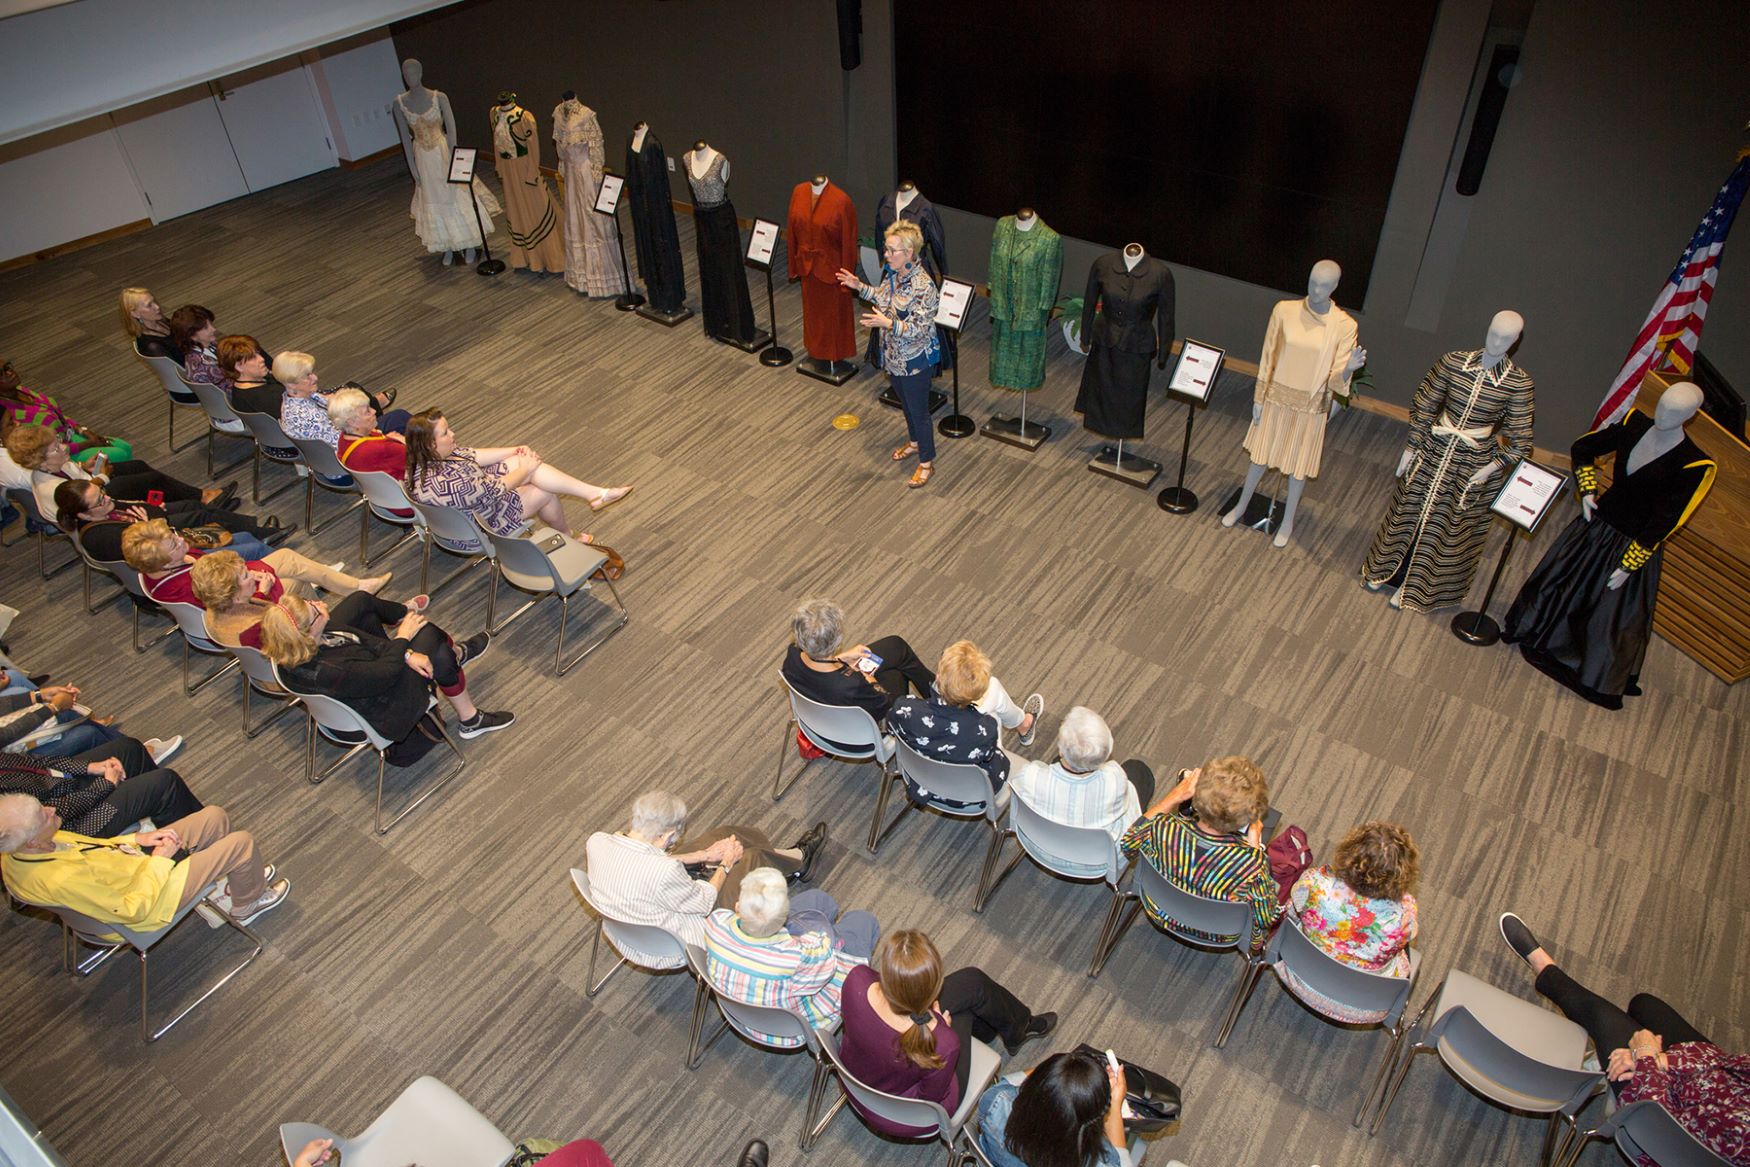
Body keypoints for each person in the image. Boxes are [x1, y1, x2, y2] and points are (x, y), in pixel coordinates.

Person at [1499, 913, 1748, 1165]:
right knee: (1645, 1006)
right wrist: (1664, 1061)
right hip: (1713, 1082)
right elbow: (1735, 1066)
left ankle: (1544, 967)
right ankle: (1605, 1064)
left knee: (1601, 1017)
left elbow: (1661, 1126)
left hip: (1666, 1132)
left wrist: (1645, 1058)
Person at [838, 929, 1055, 1137]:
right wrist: (941, 1025)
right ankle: (1015, 1029)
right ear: (933, 994)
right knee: (965, 1010)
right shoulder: (943, 1043)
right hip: (907, 1115)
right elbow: (930, 1099)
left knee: (972, 982)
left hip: (855, 1078)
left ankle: (1010, 1028)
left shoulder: (856, 979)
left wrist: (937, 1025)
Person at [583, 790, 829, 966]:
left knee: (726, 835)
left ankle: (780, 858)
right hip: (678, 940)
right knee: (751, 858)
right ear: (665, 835)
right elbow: (703, 903)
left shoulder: (597, 841)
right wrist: (725, 864)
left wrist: (703, 855)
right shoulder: (663, 872)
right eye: (672, 840)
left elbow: (642, 860)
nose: (673, 844)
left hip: (623, 927)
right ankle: (796, 861)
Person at [258, 591, 513, 743]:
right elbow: (384, 675)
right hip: (385, 709)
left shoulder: (294, 647)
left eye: (309, 600)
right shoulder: (330, 668)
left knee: (362, 607)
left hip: (364, 684)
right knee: (433, 642)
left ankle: (444, 647)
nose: (320, 603)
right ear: (308, 631)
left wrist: (407, 653)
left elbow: (357, 638)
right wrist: (403, 639)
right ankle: (471, 719)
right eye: (314, 609)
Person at [0, 792, 289, 925]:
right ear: (33, 840)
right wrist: (160, 861)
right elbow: (132, 910)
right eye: (43, 815)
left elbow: (96, 849)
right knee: (242, 843)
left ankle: (233, 881)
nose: (51, 809)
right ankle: (246, 904)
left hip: (134, 868)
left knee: (214, 817)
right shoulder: (61, 879)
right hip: (150, 901)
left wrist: (135, 840)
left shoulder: (32, 844)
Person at [703, 865, 878, 1046]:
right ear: (783, 921)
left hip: (736, 1012)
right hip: (788, 1029)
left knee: (818, 898)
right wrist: (805, 939)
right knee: (863, 920)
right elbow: (826, 962)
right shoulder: (793, 958)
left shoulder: (715, 924)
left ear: (738, 906)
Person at [1120, 757, 1279, 953]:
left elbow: (1128, 845)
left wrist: (1175, 796)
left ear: (1195, 796)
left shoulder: (1162, 829)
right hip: (1217, 933)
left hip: (1157, 906)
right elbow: (1265, 917)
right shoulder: (1252, 864)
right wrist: (1255, 848)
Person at [402, 409, 631, 539]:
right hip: (480, 525)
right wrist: (526, 470)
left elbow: (474, 455)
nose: (453, 433)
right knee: (543, 491)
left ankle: (594, 494)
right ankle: (568, 533)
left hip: (465, 509)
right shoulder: (451, 483)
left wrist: (516, 450)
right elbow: (494, 492)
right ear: (431, 444)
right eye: (445, 432)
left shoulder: (418, 463)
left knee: (520, 462)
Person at [836, 220, 941, 488]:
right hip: (893, 357)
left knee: (918, 411)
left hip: (915, 361)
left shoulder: (924, 287)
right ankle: (915, 443)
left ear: (909, 253)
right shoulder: (894, 275)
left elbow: (919, 329)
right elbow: (883, 298)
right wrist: (858, 285)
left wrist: (888, 324)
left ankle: (927, 462)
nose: (886, 255)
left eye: (892, 251)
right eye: (886, 249)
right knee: (905, 405)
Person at [1281, 821, 1419, 1023]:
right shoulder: (1403, 913)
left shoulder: (1315, 884)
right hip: (1364, 1005)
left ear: (1349, 854)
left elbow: (1293, 908)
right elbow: (1409, 935)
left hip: (1300, 973)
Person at [885, 640, 1044, 809]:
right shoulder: (984, 729)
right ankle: (1024, 724)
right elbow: (990, 755)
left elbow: (890, 727)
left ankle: (1024, 723)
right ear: (977, 694)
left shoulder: (904, 708)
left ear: (938, 677)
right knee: (995, 690)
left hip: (920, 779)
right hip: (970, 794)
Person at [1007, 707, 1152, 875]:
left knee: (1054, 764)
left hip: (1037, 844)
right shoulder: (1115, 779)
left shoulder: (1031, 775)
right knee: (1139, 771)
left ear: (1061, 749)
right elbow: (1128, 804)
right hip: (1096, 863)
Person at [120, 518, 385, 609]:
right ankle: (334, 607)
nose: (181, 540)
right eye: (174, 545)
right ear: (164, 564)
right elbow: (227, 605)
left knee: (288, 560)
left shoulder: (168, 565)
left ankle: (354, 590)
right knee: (294, 575)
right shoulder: (180, 585)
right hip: (243, 606)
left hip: (238, 586)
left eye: (174, 535)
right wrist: (261, 588)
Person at [193, 550, 416, 650]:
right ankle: (402, 614)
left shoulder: (219, 609)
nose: (251, 574)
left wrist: (259, 593)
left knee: (296, 581)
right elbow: (284, 632)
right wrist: (264, 593)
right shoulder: (254, 625)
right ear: (232, 592)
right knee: (361, 602)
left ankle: (320, 611)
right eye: (244, 576)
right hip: (305, 649)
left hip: (287, 642)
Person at [6, 422, 229, 519]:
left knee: (137, 466)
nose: (64, 447)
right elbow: (81, 500)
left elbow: (74, 472)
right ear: (41, 461)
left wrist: (84, 466)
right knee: (148, 479)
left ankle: (196, 497)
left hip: (93, 485)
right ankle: (199, 499)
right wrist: (101, 475)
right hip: (93, 506)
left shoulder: (54, 463)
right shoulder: (50, 486)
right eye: (56, 448)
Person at [0, 735, 203, 840]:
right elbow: (51, 814)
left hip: (60, 785)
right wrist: (105, 784)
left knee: (129, 748)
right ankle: (195, 844)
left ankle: (160, 817)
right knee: (164, 783)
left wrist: (90, 767)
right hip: (70, 828)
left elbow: (33, 761)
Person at [780, 598, 936, 722]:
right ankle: (941, 699)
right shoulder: (853, 684)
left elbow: (819, 669)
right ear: (837, 640)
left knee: (895, 646)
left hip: (817, 719)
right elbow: (884, 703)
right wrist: (870, 680)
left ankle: (940, 694)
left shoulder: (793, 654)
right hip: (857, 735)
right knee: (896, 674)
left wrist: (841, 659)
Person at [54, 479, 284, 563]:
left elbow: (150, 510)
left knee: (205, 515)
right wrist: (151, 523)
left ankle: (258, 533)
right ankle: (268, 548)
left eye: (102, 493)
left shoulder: (106, 509)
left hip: (170, 544)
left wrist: (148, 521)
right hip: (171, 563)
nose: (107, 498)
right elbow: (154, 545)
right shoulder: (100, 536)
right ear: (83, 515)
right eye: (99, 501)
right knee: (248, 545)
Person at [976, 1050, 1133, 1167]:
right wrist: (1116, 1105)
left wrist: (1062, 1071)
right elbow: (1123, 1162)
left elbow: (1019, 1081)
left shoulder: (996, 1101)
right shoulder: (1100, 1161)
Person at [0, 678, 181, 762]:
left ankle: (139, 752)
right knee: (87, 734)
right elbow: (5, 735)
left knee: (67, 714)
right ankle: (134, 760)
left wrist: (40, 696)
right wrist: (52, 706)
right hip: (13, 766)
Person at [0, 357, 133, 463]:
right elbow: (43, 451)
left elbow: (58, 415)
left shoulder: (20, 391)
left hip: (68, 435)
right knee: (119, 454)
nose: (10, 373)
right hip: (60, 454)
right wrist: (89, 444)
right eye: (1, 373)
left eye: (8, 367)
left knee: (124, 446)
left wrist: (84, 431)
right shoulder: (9, 417)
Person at [274, 350, 408, 443]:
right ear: (292, 384)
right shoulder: (309, 417)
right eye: (307, 376)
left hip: (332, 452)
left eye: (312, 372)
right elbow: (342, 442)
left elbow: (328, 403)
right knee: (400, 418)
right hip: (345, 461)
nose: (315, 377)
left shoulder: (293, 399)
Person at [217, 335, 283, 419]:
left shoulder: (240, 388)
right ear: (239, 367)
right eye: (253, 357)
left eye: (258, 353)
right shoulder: (267, 396)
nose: (261, 359)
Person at [120, 287, 180, 361]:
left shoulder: (160, 321)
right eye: (149, 305)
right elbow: (175, 370)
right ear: (135, 314)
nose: (157, 307)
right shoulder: (152, 346)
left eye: (154, 301)